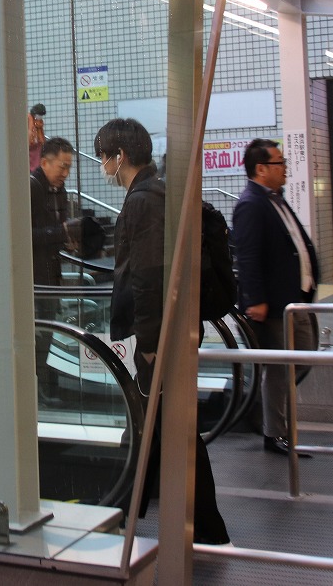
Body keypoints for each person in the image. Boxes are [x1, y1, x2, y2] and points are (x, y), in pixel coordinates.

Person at [96, 118, 229, 546]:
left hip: (155, 338)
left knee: (154, 429)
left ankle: (119, 517)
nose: (102, 165)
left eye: (104, 157)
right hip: (167, 333)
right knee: (166, 431)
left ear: (121, 156)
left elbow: (149, 278)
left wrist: (148, 348)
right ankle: (202, 528)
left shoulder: (143, 201)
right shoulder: (159, 192)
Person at [231, 137, 319, 457]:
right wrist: (255, 299)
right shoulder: (251, 204)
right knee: (280, 369)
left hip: (295, 300)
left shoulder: (274, 199)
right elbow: (248, 256)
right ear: (261, 169)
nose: (285, 168)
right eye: (279, 163)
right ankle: (274, 432)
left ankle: (267, 406)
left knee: (305, 354)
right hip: (273, 305)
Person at [31, 136, 75, 403]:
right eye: (62, 166)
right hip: (35, 276)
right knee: (38, 334)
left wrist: (68, 239)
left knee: (47, 334)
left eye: (69, 167)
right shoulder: (32, 187)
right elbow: (21, 234)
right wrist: (62, 232)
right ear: (45, 162)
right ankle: (39, 388)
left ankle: (45, 387)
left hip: (51, 272)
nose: (66, 173)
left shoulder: (60, 190)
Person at [27, 103, 47, 172]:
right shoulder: (28, 119)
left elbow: (41, 135)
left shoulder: (39, 122)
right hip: (30, 146)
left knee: (37, 162)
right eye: (39, 115)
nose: (40, 117)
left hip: (38, 146)